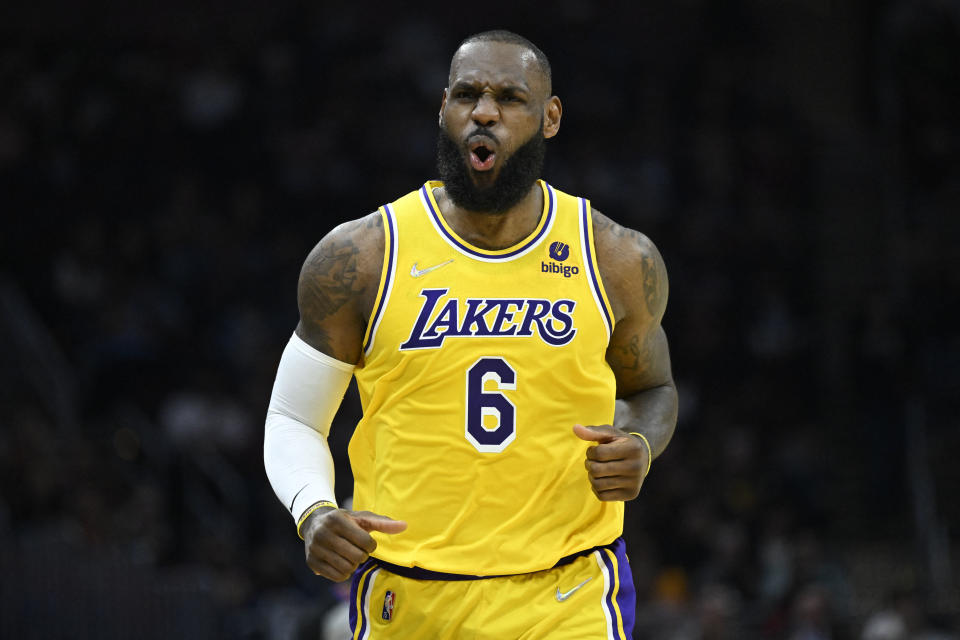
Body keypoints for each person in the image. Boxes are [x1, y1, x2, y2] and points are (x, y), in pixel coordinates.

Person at [264, 30, 678, 639]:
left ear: (550, 117)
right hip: (410, 593)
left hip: (567, 593)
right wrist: (313, 510)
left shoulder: (614, 258)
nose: (485, 111)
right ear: (443, 108)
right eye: (467, 95)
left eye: (510, 97)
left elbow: (655, 388)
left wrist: (641, 443)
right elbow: (293, 417)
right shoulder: (363, 256)